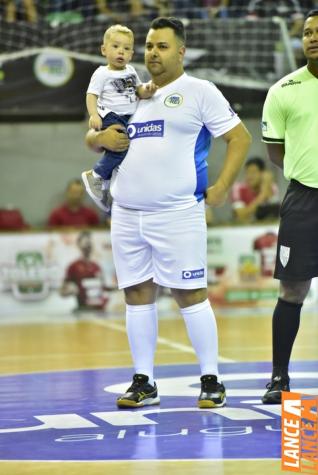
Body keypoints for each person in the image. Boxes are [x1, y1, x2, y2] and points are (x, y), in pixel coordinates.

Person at [86, 16, 251, 409]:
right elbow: (93, 135)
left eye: (161, 46)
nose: (151, 53)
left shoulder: (199, 91)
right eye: (148, 46)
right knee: (136, 295)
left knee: (190, 294)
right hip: (126, 213)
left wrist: (223, 187)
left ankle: (211, 380)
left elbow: (239, 138)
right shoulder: (131, 91)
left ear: (181, 51)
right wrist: (98, 138)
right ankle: (144, 382)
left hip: (177, 214)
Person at [261, 9, 318, 404]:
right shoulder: (283, 89)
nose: (312, 37)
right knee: (292, 290)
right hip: (304, 199)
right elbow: (275, 152)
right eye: (307, 32)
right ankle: (279, 377)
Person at [82, 24, 157, 213]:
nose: (120, 52)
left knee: (122, 150)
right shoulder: (102, 73)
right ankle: (96, 175)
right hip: (111, 115)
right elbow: (91, 95)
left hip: (128, 116)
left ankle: (105, 183)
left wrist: (147, 89)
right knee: (120, 146)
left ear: (131, 54)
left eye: (126, 48)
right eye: (115, 46)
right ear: (104, 49)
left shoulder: (131, 71)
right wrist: (94, 115)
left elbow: (138, 90)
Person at [60, 231, 109, 312]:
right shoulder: (73, 267)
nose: (88, 246)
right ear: (79, 245)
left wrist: (115, 288)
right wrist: (70, 290)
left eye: (89, 243)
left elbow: (103, 287)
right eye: (85, 244)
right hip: (83, 308)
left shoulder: (97, 266)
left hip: (100, 309)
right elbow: (63, 291)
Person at [231, 157, 279, 223]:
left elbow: (275, 215)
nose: (249, 176)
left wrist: (266, 187)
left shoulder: (272, 187)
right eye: (247, 172)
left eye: (253, 172)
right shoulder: (238, 188)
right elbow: (241, 215)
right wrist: (263, 194)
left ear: (262, 173)